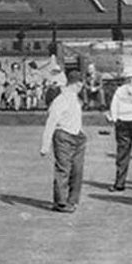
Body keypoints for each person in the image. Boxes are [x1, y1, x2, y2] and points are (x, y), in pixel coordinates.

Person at [40, 70, 86, 213]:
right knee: (63, 169)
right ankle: (61, 202)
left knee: (77, 170)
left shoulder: (75, 99)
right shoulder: (60, 100)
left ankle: (72, 200)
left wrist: (81, 132)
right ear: (78, 84)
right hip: (63, 136)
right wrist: (45, 145)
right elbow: (51, 122)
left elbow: (75, 117)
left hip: (77, 136)